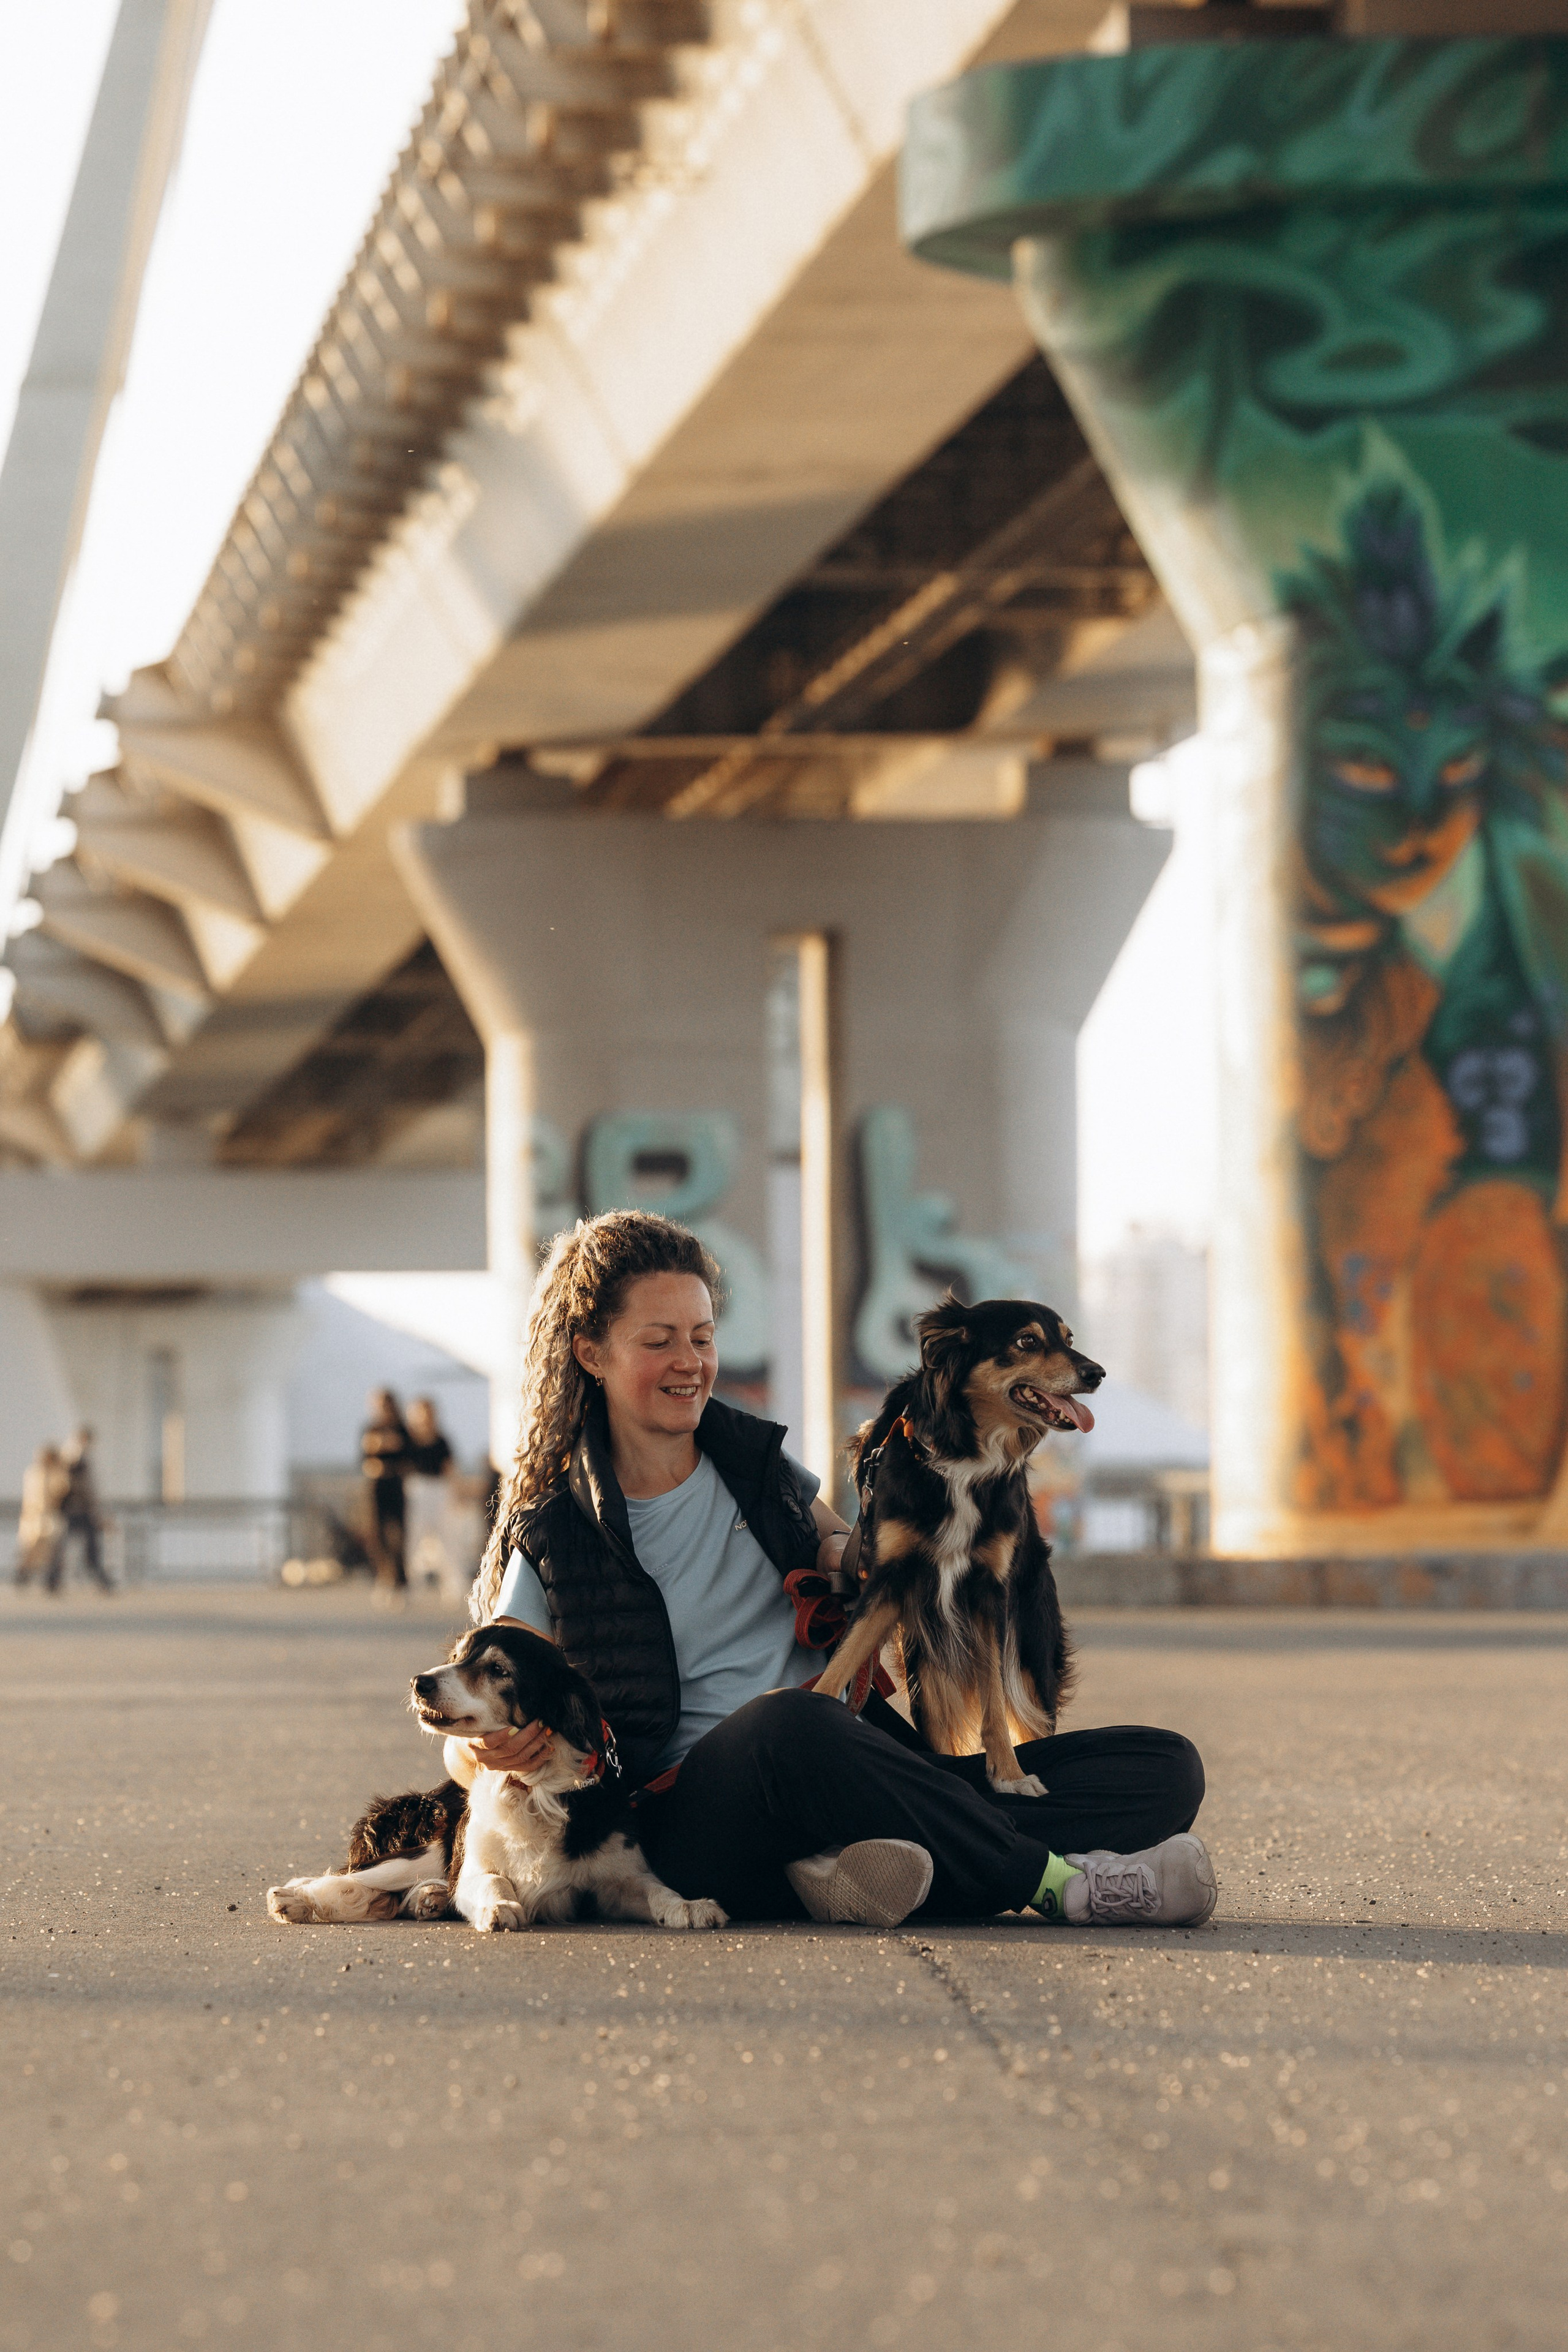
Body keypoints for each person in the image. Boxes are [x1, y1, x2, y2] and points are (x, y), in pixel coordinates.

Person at [450, 1210, 1215, 1931]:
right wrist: (480, 1749)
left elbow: (861, 1556)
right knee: (792, 1718)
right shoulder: (555, 1529)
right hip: (693, 1817)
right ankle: (1064, 1886)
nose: (690, 1363)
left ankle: (873, 1873)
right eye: (659, 1341)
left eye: (703, 1337)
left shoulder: (759, 1469)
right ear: (592, 1353)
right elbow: (469, 1713)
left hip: (853, 1764)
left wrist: (923, 1512)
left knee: (1161, 1767)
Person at [404, 1396, 473, 1599]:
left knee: (448, 1537)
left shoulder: (442, 1439)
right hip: (417, 1489)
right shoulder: (410, 1440)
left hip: (440, 1490)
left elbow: (450, 1469)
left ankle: (454, 1584)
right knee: (414, 1537)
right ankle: (411, 1583)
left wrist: (457, 1494)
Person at [360, 1389, 410, 1589]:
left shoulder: (402, 1429)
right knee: (377, 1534)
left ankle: (400, 1579)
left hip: (396, 1485)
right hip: (376, 1486)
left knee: (399, 1534)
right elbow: (364, 1461)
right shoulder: (370, 1429)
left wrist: (387, 1449)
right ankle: (383, 1575)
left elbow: (408, 1458)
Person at [54, 1427, 113, 1593]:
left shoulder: (70, 1454)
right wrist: (95, 1510)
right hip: (79, 1509)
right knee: (85, 1546)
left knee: (73, 1545)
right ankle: (53, 1579)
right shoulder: (77, 1456)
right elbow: (85, 1487)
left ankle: (53, 1579)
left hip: (76, 1509)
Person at [15, 1443, 68, 1587]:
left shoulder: (55, 1474)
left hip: (51, 1516)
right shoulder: (35, 1473)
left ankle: (52, 1580)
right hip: (34, 1517)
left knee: (54, 1550)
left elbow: (62, 1490)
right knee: (30, 1550)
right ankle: (22, 1577)